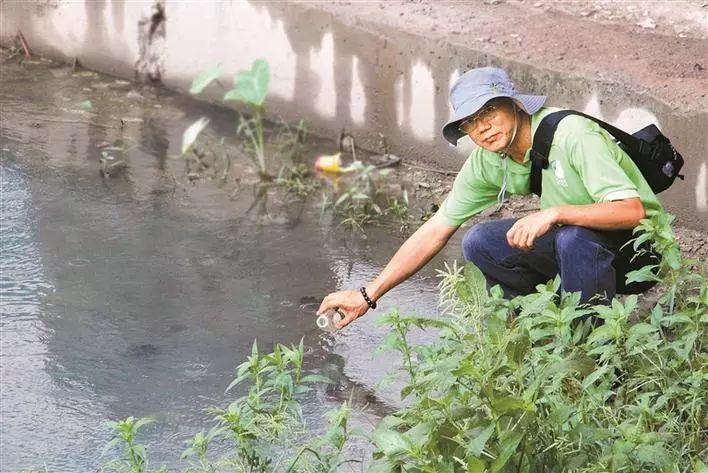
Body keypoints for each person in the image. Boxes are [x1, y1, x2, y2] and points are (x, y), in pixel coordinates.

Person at [317, 66, 663, 329]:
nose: (482, 127)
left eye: (488, 113)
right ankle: (539, 328)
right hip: (583, 247)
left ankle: (587, 353)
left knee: (573, 238)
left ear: (515, 106)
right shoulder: (489, 159)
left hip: (642, 253)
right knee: (481, 240)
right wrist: (367, 294)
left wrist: (554, 212)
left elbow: (631, 211)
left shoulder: (572, 135)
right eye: (470, 122)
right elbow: (436, 229)